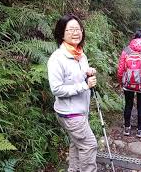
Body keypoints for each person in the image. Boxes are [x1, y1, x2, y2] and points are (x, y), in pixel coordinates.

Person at [47, 14, 97, 172]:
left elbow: (76, 77)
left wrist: (87, 72)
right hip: (71, 113)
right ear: (62, 33)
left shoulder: (80, 55)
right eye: (71, 29)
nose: (76, 32)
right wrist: (84, 85)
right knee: (89, 146)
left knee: (77, 145)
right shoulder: (57, 59)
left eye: (78, 29)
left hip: (79, 111)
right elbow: (57, 89)